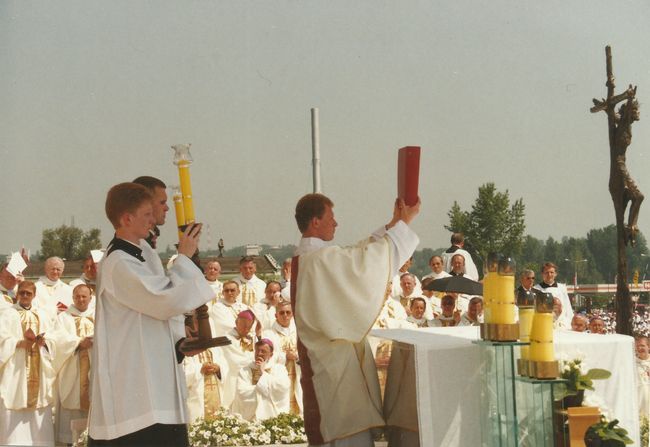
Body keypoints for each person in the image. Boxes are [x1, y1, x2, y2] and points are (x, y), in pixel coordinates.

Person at [88, 182, 214, 446]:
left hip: (156, 377)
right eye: (147, 215)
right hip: (135, 387)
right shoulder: (120, 262)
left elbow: (155, 312)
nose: (152, 221)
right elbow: (163, 300)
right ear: (126, 218)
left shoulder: (142, 252)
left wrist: (180, 342)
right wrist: (185, 257)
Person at [291, 193, 419, 446]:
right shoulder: (317, 261)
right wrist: (405, 222)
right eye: (331, 217)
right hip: (332, 363)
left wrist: (395, 223)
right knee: (345, 433)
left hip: (335, 359)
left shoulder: (315, 258)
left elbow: (359, 250)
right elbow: (364, 261)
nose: (336, 223)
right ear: (315, 222)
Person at [0, 281, 72, 446]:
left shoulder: (43, 315)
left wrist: (44, 342)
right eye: (22, 293)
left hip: (39, 369)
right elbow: (1, 337)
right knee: (13, 401)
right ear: (17, 294)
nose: (25, 296)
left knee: (40, 406)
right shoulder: (7, 314)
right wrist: (17, 343)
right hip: (16, 370)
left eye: (28, 293)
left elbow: (54, 337)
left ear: (34, 295)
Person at [54, 283, 95, 445]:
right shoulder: (63, 318)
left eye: (84, 296)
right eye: (77, 296)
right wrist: (78, 343)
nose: (81, 299)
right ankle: (70, 441)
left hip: (94, 368)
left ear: (90, 298)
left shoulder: (99, 315)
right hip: (72, 370)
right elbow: (57, 339)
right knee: (71, 405)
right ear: (72, 298)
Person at [231, 339, 291, 421]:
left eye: (263, 351)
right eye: (257, 351)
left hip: (273, 417)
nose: (259, 354)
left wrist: (263, 373)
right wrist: (263, 389)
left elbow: (283, 387)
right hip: (250, 418)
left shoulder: (279, 369)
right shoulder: (245, 370)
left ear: (271, 354)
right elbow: (241, 391)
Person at [263, 300, 302, 414]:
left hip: (298, 371)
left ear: (292, 314)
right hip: (279, 374)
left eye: (288, 312)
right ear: (276, 315)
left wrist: (297, 356)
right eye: (282, 313)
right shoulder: (268, 333)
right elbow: (267, 355)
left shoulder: (299, 332)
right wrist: (285, 356)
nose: (285, 315)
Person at [220, 310, 258, 410]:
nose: (246, 328)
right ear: (236, 322)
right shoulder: (227, 338)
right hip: (234, 378)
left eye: (249, 326)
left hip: (250, 379)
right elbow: (235, 362)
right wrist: (253, 362)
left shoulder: (252, 338)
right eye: (243, 324)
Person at [132, 175, 170, 249]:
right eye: (162, 202)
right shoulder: (136, 245)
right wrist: (185, 254)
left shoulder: (145, 242)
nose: (167, 208)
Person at [534, 262, 574, 329]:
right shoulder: (536, 289)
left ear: (555, 274)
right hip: (544, 323)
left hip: (562, 324)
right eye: (546, 272)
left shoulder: (562, 287)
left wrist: (571, 321)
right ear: (542, 274)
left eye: (551, 272)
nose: (549, 275)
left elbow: (567, 306)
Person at [635, 336, 650, 418]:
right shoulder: (632, 363)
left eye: (642, 345)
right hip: (639, 401)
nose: (640, 348)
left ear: (648, 346)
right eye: (637, 346)